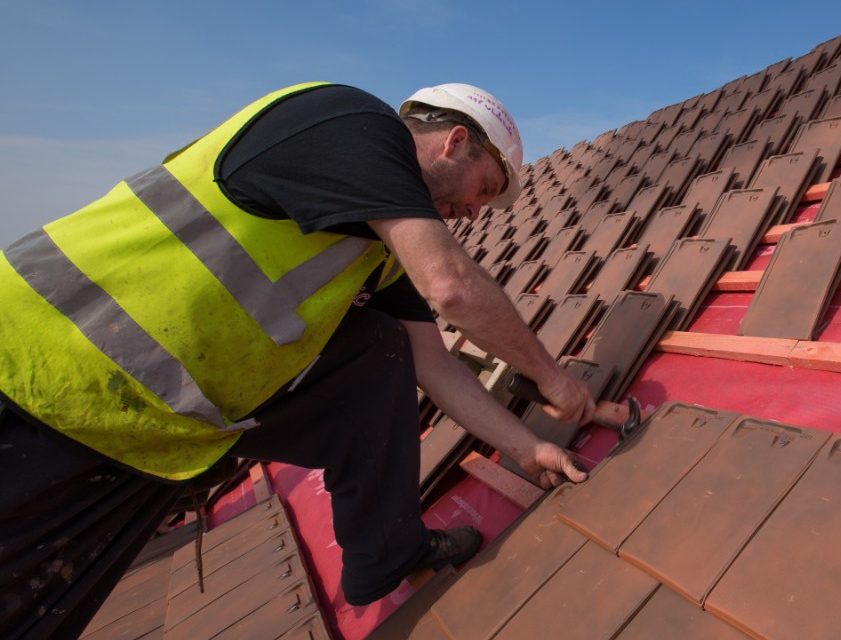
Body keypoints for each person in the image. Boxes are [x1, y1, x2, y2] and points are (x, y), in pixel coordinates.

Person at [0, 81, 595, 637]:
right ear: (455, 141)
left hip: (153, 428)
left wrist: (528, 448)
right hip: (35, 370)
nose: (476, 212)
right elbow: (453, 288)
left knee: (378, 347)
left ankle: (387, 553)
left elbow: (434, 367)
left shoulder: (375, 251)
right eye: (485, 188)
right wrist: (553, 380)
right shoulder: (352, 123)